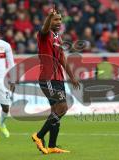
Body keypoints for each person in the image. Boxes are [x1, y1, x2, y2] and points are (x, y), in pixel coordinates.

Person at [31, 7, 80, 154]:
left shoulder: (58, 38)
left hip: (58, 78)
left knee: (56, 111)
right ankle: (38, 136)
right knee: (62, 108)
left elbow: (62, 59)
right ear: (49, 21)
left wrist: (72, 77)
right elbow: (44, 28)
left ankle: (52, 146)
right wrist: (49, 17)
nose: (58, 22)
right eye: (55, 19)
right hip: (48, 78)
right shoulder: (44, 35)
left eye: (60, 19)